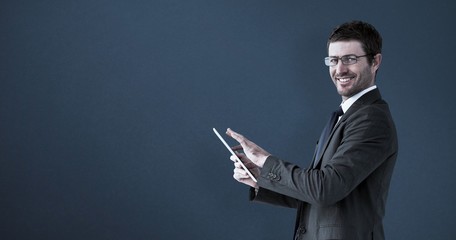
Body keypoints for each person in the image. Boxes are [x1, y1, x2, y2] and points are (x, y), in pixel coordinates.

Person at [225, 21, 398, 240]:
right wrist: (260, 177)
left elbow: (324, 189)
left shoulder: (371, 118)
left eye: (350, 59)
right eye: (333, 60)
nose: (340, 69)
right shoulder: (343, 116)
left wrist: (263, 159)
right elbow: (315, 194)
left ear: (375, 62)